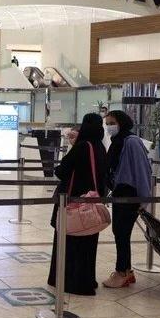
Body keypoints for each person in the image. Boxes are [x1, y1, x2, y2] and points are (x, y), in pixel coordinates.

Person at [47, 113, 107, 296]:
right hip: (93, 202)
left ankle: (69, 281)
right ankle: (86, 280)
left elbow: (62, 171)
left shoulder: (82, 146)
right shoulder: (100, 148)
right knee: (88, 241)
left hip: (73, 202)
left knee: (70, 240)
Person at [102, 110, 152, 288]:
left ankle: (122, 272)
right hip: (120, 193)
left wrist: (143, 199)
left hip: (129, 195)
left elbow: (142, 170)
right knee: (120, 233)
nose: (109, 127)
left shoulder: (131, 142)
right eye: (107, 123)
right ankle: (126, 271)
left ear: (121, 123)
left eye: (112, 123)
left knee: (122, 233)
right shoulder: (118, 141)